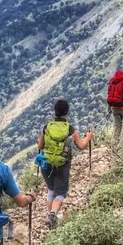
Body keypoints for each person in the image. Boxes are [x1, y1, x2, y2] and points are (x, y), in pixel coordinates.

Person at [36, 98, 93, 229]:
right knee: (60, 193)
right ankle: (53, 214)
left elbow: (40, 145)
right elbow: (81, 146)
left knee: (51, 190)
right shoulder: (70, 129)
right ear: (66, 113)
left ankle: (50, 218)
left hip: (46, 163)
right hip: (62, 165)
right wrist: (88, 137)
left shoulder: (47, 127)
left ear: (55, 112)